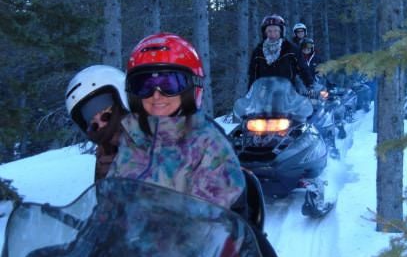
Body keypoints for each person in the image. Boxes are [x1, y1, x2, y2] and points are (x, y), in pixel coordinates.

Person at [108, 33, 246, 210]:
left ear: (191, 87)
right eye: (145, 85)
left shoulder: (209, 144)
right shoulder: (132, 138)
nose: (156, 95)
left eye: (169, 84)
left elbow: (211, 221)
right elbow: (111, 200)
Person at [65, 65, 129, 182]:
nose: (101, 126)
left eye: (106, 116)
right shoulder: (104, 151)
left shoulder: (149, 136)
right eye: (94, 125)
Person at [248, 14, 314, 91]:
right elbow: (253, 75)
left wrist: (310, 86)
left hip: (289, 95)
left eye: (276, 31)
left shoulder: (291, 49)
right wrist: (250, 94)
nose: (273, 34)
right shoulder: (258, 52)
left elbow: (303, 69)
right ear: (265, 33)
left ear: (281, 31)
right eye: (269, 31)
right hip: (265, 96)